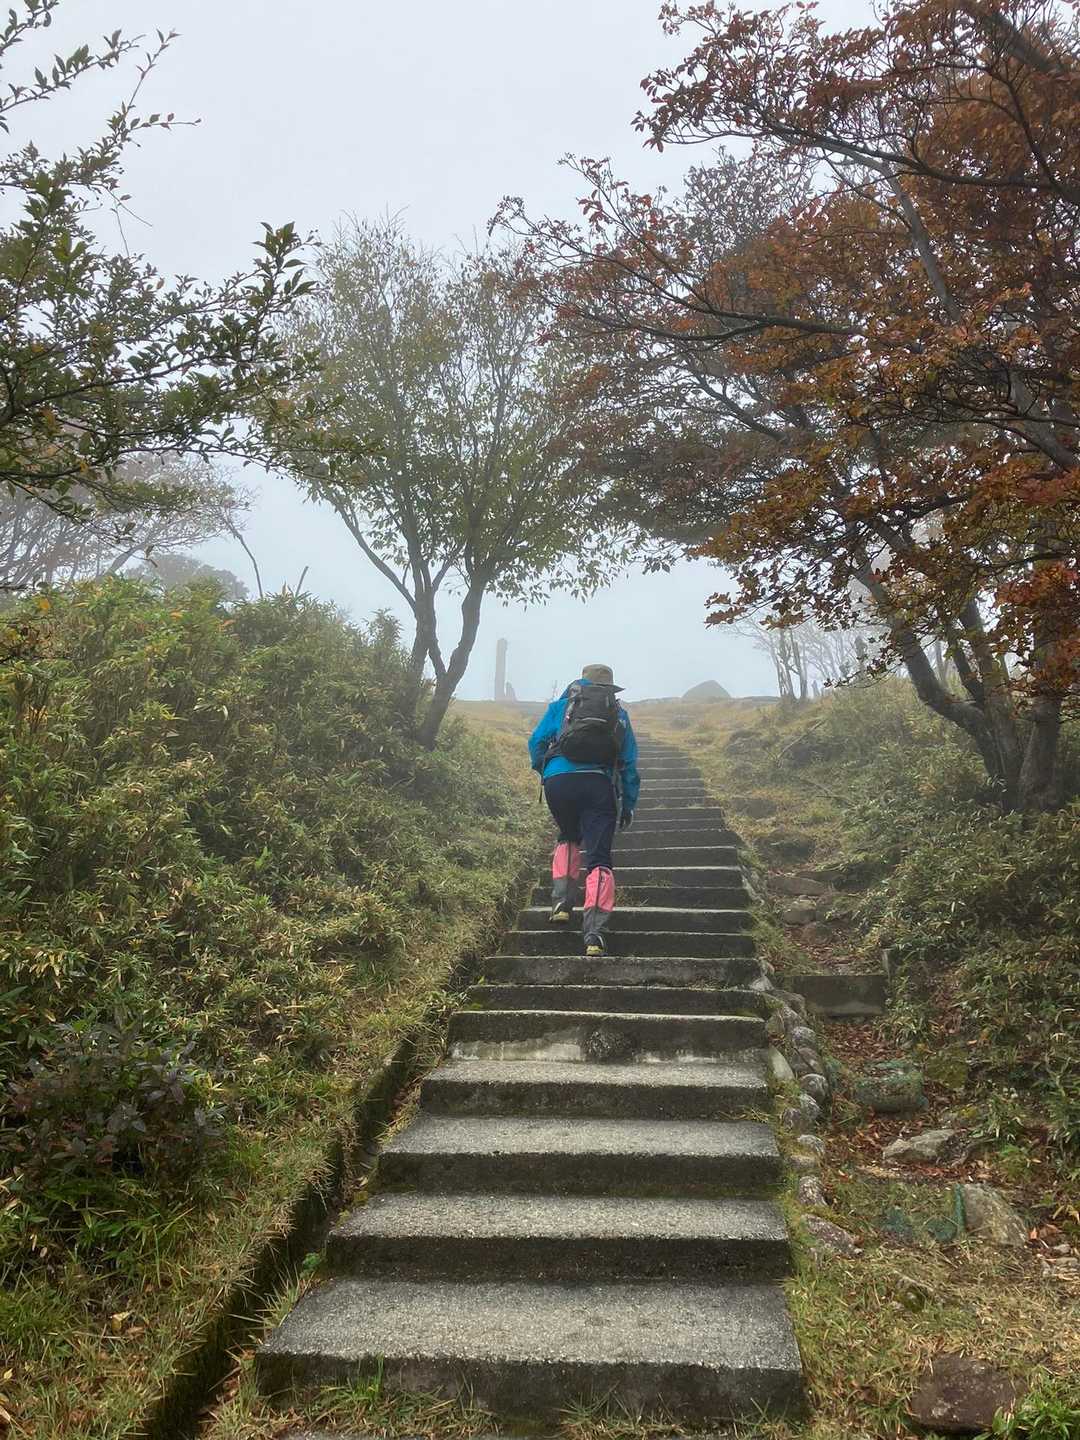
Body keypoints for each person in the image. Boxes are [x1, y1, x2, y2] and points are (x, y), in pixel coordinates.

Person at [528, 664, 640, 956]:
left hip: (558, 782)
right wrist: (628, 805)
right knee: (599, 857)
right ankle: (593, 933)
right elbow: (629, 765)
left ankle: (561, 904)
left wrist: (547, 770)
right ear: (610, 689)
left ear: (580, 682)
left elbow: (536, 742)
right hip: (598, 785)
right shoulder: (619, 714)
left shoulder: (560, 707)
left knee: (568, 834)